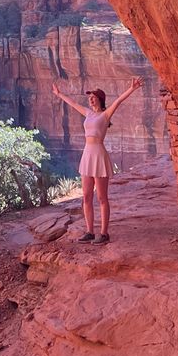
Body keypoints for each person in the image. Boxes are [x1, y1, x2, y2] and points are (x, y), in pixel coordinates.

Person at [51, 79, 142, 243]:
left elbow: (119, 101)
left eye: (93, 97)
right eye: (89, 97)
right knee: (86, 197)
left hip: (99, 155)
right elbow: (72, 104)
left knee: (101, 198)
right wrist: (59, 94)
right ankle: (89, 232)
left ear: (100, 99)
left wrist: (132, 88)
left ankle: (104, 233)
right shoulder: (88, 113)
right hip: (87, 155)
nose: (90, 99)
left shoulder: (105, 115)